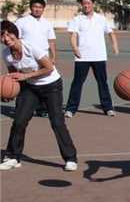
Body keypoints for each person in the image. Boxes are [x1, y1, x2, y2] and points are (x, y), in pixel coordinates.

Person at [0, 20, 78, 171]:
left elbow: (49, 67)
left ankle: (70, 158)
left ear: (16, 34)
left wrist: (26, 76)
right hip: (30, 87)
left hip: (51, 85)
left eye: (9, 34)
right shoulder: (6, 54)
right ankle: (13, 157)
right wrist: (9, 91)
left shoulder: (31, 47)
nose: (6, 38)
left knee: (57, 122)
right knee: (19, 121)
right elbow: (13, 74)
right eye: (2, 36)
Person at [64, 0, 119, 117]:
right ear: (81, 5)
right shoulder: (77, 19)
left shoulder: (101, 19)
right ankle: (70, 109)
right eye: (84, 4)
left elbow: (111, 33)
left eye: (88, 3)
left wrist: (115, 46)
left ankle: (108, 108)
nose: (86, 6)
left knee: (102, 82)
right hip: (82, 57)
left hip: (99, 56)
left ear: (93, 4)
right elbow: (72, 36)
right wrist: (75, 48)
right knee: (77, 83)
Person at [14, 0, 56, 117]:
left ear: (43, 9)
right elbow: (17, 40)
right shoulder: (21, 22)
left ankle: (41, 109)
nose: (37, 9)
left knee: (42, 85)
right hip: (27, 58)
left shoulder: (47, 23)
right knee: (24, 85)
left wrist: (54, 56)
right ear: (31, 7)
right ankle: (21, 110)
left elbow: (51, 40)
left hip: (43, 58)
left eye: (40, 7)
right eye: (35, 7)